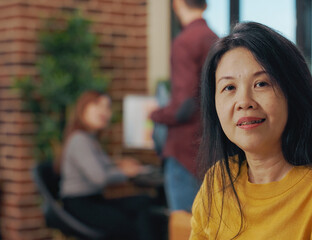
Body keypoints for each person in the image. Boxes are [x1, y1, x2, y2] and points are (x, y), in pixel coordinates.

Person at [190, 22, 312, 239]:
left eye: (261, 84)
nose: (244, 101)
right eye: (229, 88)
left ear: (292, 94)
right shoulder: (216, 182)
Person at [150, 0, 218, 213]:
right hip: (210, 149)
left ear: (178, 3)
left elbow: (183, 106)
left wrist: (155, 113)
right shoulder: (215, 39)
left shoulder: (185, 41)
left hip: (184, 151)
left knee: (184, 228)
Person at [59, 91, 153, 240]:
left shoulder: (90, 139)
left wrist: (118, 164)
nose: (104, 111)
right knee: (128, 225)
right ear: (83, 108)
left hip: (93, 200)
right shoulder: (80, 140)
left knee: (141, 202)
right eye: (97, 104)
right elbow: (99, 178)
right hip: (80, 205)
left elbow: (98, 164)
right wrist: (127, 173)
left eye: (107, 107)